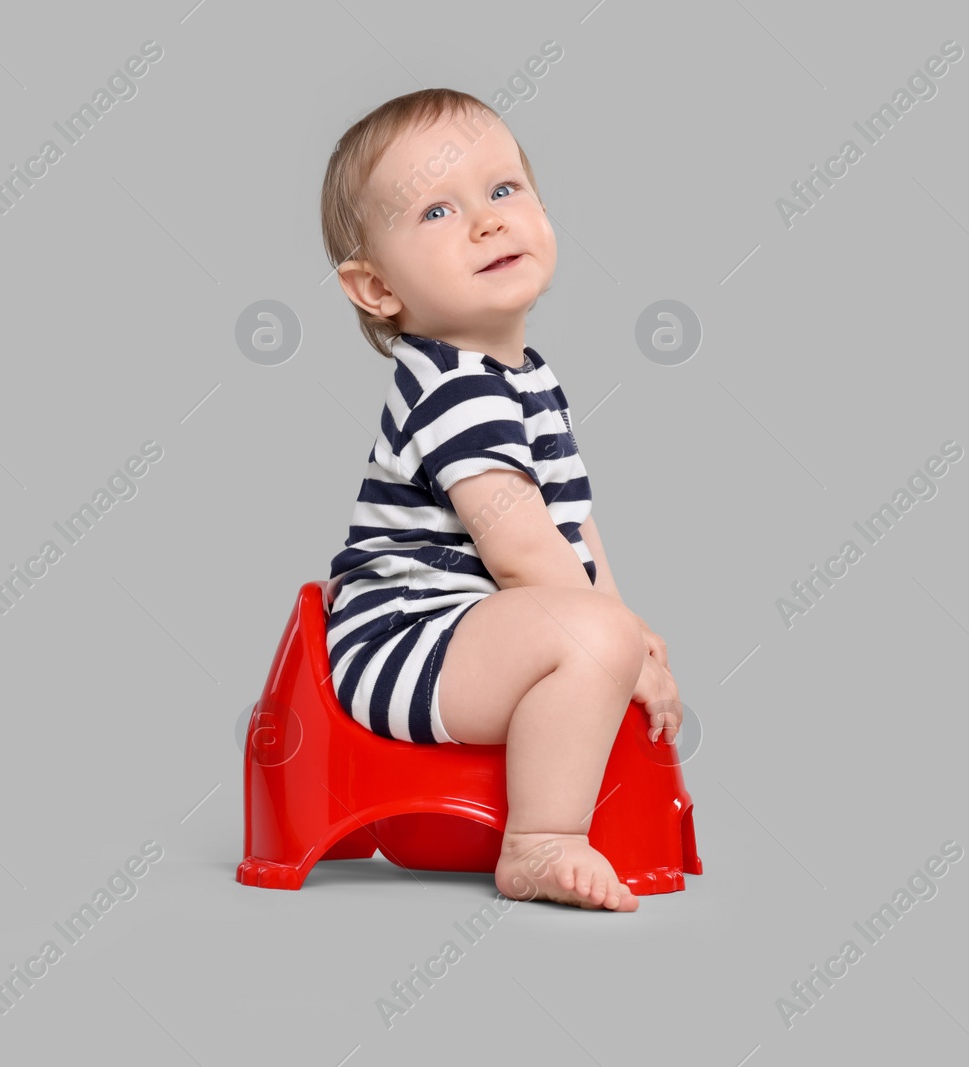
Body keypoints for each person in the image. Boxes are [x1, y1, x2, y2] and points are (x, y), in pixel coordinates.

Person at [320, 88, 681, 912]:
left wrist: (630, 636)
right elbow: (522, 550)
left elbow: (571, 522)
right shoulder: (450, 385)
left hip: (463, 633)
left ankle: (570, 805)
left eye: (504, 190)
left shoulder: (524, 377)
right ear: (376, 287)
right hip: (403, 645)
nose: (486, 221)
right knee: (590, 636)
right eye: (438, 210)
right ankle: (540, 841)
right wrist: (615, 640)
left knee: (601, 633)